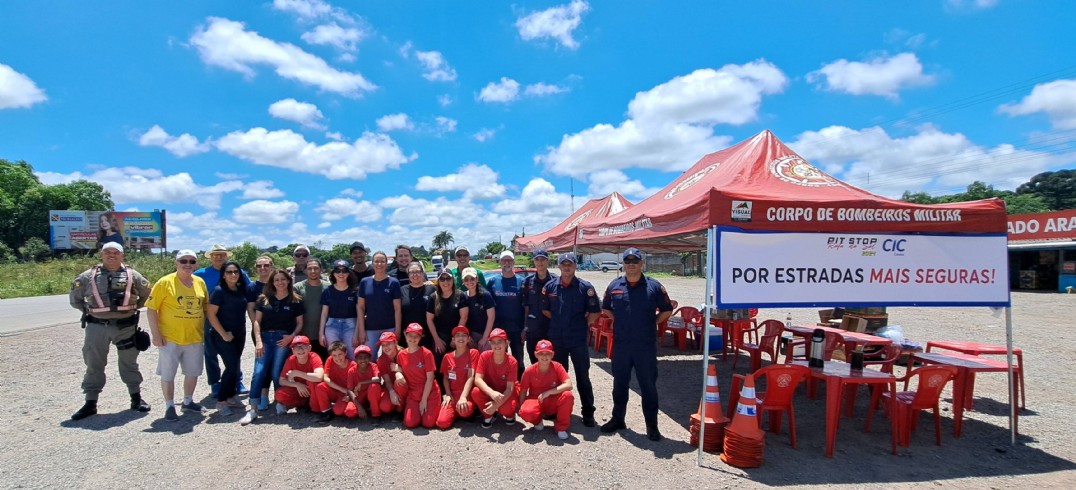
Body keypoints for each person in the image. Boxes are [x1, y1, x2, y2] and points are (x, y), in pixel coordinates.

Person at [68, 242, 152, 420]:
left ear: (122, 255)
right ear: (101, 254)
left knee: (129, 362)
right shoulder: (86, 277)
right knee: (94, 364)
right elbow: (75, 300)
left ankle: (136, 398)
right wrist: (92, 312)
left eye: (116, 252)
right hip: (97, 327)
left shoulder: (133, 275)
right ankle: (90, 403)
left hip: (125, 327)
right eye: (108, 252)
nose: (112, 255)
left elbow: (147, 295)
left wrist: (131, 308)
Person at [600, 248, 674, 441]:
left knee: (648, 386)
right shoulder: (615, 285)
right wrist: (621, 321)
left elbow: (667, 310)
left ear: (642, 263)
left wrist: (652, 322)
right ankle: (618, 419)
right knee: (619, 384)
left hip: (645, 346)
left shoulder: (654, 286)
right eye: (627, 261)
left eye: (635, 260)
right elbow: (606, 308)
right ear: (623, 264)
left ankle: (652, 426)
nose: (631, 264)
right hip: (622, 345)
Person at [146, 250, 209, 422]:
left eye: (192, 261)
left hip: (194, 337)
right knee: (168, 374)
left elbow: (205, 307)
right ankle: (169, 405)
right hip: (170, 337)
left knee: (193, 372)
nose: (188, 264)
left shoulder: (200, 282)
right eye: (183, 261)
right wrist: (155, 334)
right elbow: (151, 309)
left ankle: (188, 401)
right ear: (176, 263)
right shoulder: (165, 282)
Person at [541, 253, 600, 428]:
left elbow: (595, 311)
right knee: (558, 378)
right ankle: (557, 409)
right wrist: (560, 322)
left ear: (575, 266)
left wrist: (581, 324)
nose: (567, 267)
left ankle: (588, 412)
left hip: (577, 340)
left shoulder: (585, 287)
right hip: (557, 339)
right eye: (563, 264)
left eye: (570, 264)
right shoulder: (550, 287)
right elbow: (546, 310)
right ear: (558, 266)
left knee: (583, 376)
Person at [240, 269, 304, 426]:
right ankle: (253, 409)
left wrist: (291, 336)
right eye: (276, 280)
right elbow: (256, 322)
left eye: (283, 279)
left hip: (283, 339)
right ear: (272, 282)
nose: (280, 282)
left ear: (288, 281)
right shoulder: (264, 299)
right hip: (265, 338)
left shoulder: (295, 300)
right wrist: (259, 341)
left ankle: (280, 402)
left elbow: (300, 322)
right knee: (258, 372)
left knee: (277, 372)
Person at [195, 245, 250, 399]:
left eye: (222, 255)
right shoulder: (200, 274)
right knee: (210, 352)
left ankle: (237, 381)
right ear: (210, 257)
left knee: (234, 355)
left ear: (226, 257)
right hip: (210, 318)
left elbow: (248, 290)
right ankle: (215, 383)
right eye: (215, 255)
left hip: (234, 320)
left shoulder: (239, 273)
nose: (218, 257)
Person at [206, 260, 250, 415]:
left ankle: (231, 396)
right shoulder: (218, 291)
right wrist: (223, 333)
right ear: (223, 275)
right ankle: (222, 401)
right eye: (229, 272)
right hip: (222, 335)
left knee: (235, 365)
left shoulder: (240, 289)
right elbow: (210, 314)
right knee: (231, 367)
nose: (233, 275)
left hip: (239, 333)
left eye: (236, 272)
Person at [517, 340, 574, 440]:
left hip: (553, 400)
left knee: (568, 395)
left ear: (552, 355)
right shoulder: (529, 371)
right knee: (525, 411)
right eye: (541, 353)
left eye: (547, 353)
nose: (544, 356)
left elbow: (569, 384)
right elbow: (523, 391)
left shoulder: (557, 366)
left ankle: (561, 427)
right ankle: (538, 421)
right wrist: (522, 408)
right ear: (535, 354)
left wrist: (548, 392)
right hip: (537, 400)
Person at [355, 251, 402, 361]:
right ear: (372, 263)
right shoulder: (365, 282)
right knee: (371, 359)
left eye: (382, 261)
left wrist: (398, 329)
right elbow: (360, 307)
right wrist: (361, 330)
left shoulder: (393, 282)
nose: (379, 264)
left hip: (389, 328)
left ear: (386, 264)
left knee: (390, 359)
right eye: (376, 261)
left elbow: (397, 308)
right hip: (370, 329)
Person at [486, 250, 526, 378]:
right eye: (504, 260)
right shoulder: (492, 282)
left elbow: (526, 308)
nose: (507, 262)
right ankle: (502, 388)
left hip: (517, 329)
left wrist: (525, 328)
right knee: (500, 360)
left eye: (509, 260)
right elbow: (488, 308)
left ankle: (520, 387)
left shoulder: (522, 282)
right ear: (500, 262)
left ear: (514, 262)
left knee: (518, 360)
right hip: (498, 330)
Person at [471, 328, 520, 428]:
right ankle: (489, 415)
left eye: (500, 342)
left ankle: (510, 415)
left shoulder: (512, 361)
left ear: (506, 343)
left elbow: (510, 388)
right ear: (490, 344)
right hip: (491, 390)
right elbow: (478, 379)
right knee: (475, 392)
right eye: (493, 342)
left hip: (506, 392)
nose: (496, 345)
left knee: (505, 409)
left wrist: (495, 405)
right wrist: (491, 393)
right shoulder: (485, 356)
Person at [396, 323, 440, 429]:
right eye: (410, 335)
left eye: (416, 336)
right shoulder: (401, 354)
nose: (413, 339)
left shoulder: (426, 353)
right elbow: (399, 368)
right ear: (405, 335)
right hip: (414, 392)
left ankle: (436, 405)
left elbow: (430, 379)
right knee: (410, 423)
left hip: (429, 391)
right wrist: (397, 373)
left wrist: (424, 400)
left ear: (420, 338)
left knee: (428, 423)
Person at [436, 325, 478, 430]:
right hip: (453, 394)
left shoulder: (473, 353)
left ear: (468, 339)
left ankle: (467, 410)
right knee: (442, 423)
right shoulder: (447, 356)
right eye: (457, 336)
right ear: (453, 340)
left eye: (464, 335)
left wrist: (463, 397)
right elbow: (445, 377)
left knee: (465, 411)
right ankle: (454, 412)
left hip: (466, 394)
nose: (461, 338)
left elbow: (471, 377)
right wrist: (448, 394)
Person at [273, 335, 325, 417]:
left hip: (313, 389)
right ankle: (302, 403)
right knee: (279, 394)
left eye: (303, 346)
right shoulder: (290, 360)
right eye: (296, 347)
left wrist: (297, 373)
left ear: (309, 348)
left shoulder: (314, 357)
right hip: (300, 390)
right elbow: (281, 381)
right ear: (293, 350)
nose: (300, 350)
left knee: (313, 382)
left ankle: (315, 407)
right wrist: (297, 384)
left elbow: (319, 377)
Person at [426, 270, 468, 369]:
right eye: (442, 279)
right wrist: (436, 339)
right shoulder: (433, 297)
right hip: (440, 337)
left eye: (448, 278)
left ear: (453, 280)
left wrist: (456, 338)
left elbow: (464, 317)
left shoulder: (460, 295)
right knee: (439, 367)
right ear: (438, 281)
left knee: (457, 366)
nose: (445, 282)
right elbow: (429, 319)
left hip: (457, 336)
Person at [522, 249, 556, 364]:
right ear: (534, 261)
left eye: (543, 259)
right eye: (537, 259)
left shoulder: (556, 281)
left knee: (552, 361)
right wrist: (524, 328)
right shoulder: (527, 282)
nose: (540, 262)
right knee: (534, 360)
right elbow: (525, 307)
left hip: (551, 328)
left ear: (547, 261)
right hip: (533, 329)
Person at [320, 260, 358, 359]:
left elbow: (360, 314)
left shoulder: (355, 291)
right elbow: (324, 314)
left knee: (352, 356)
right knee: (335, 357)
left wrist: (357, 332)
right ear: (333, 273)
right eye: (337, 270)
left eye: (344, 270)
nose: (341, 273)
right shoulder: (327, 291)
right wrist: (321, 333)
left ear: (349, 273)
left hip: (351, 326)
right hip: (332, 326)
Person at [295, 259, 328, 360]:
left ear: (321, 270)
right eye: (310, 268)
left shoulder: (328, 287)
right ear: (305, 270)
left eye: (316, 268)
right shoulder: (297, 288)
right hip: (303, 335)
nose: (313, 271)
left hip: (323, 336)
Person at [400, 262, 436, 352]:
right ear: (408, 275)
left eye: (418, 271)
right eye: (411, 272)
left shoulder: (432, 289)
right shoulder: (402, 290)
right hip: (407, 336)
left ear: (422, 273)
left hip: (427, 335)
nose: (415, 274)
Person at [462, 267, 496, 351]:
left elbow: (491, 318)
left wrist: (484, 339)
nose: (469, 282)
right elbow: (463, 318)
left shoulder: (485, 295)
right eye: (466, 279)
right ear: (463, 281)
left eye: (472, 278)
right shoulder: (463, 296)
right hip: (470, 338)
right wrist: (467, 336)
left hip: (485, 336)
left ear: (477, 279)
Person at [375, 332, 405, 417]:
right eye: (383, 345)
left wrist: (400, 370)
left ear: (395, 342)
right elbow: (387, 380)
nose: (386, 347)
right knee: (385, 407)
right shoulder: (381, 360)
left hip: (405, 385)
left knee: (399, 380)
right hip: (391, 385)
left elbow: (413, 373)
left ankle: (400, 409)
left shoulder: (404, 353)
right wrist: (391, 391)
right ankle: (395, 404)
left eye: (388, 343)